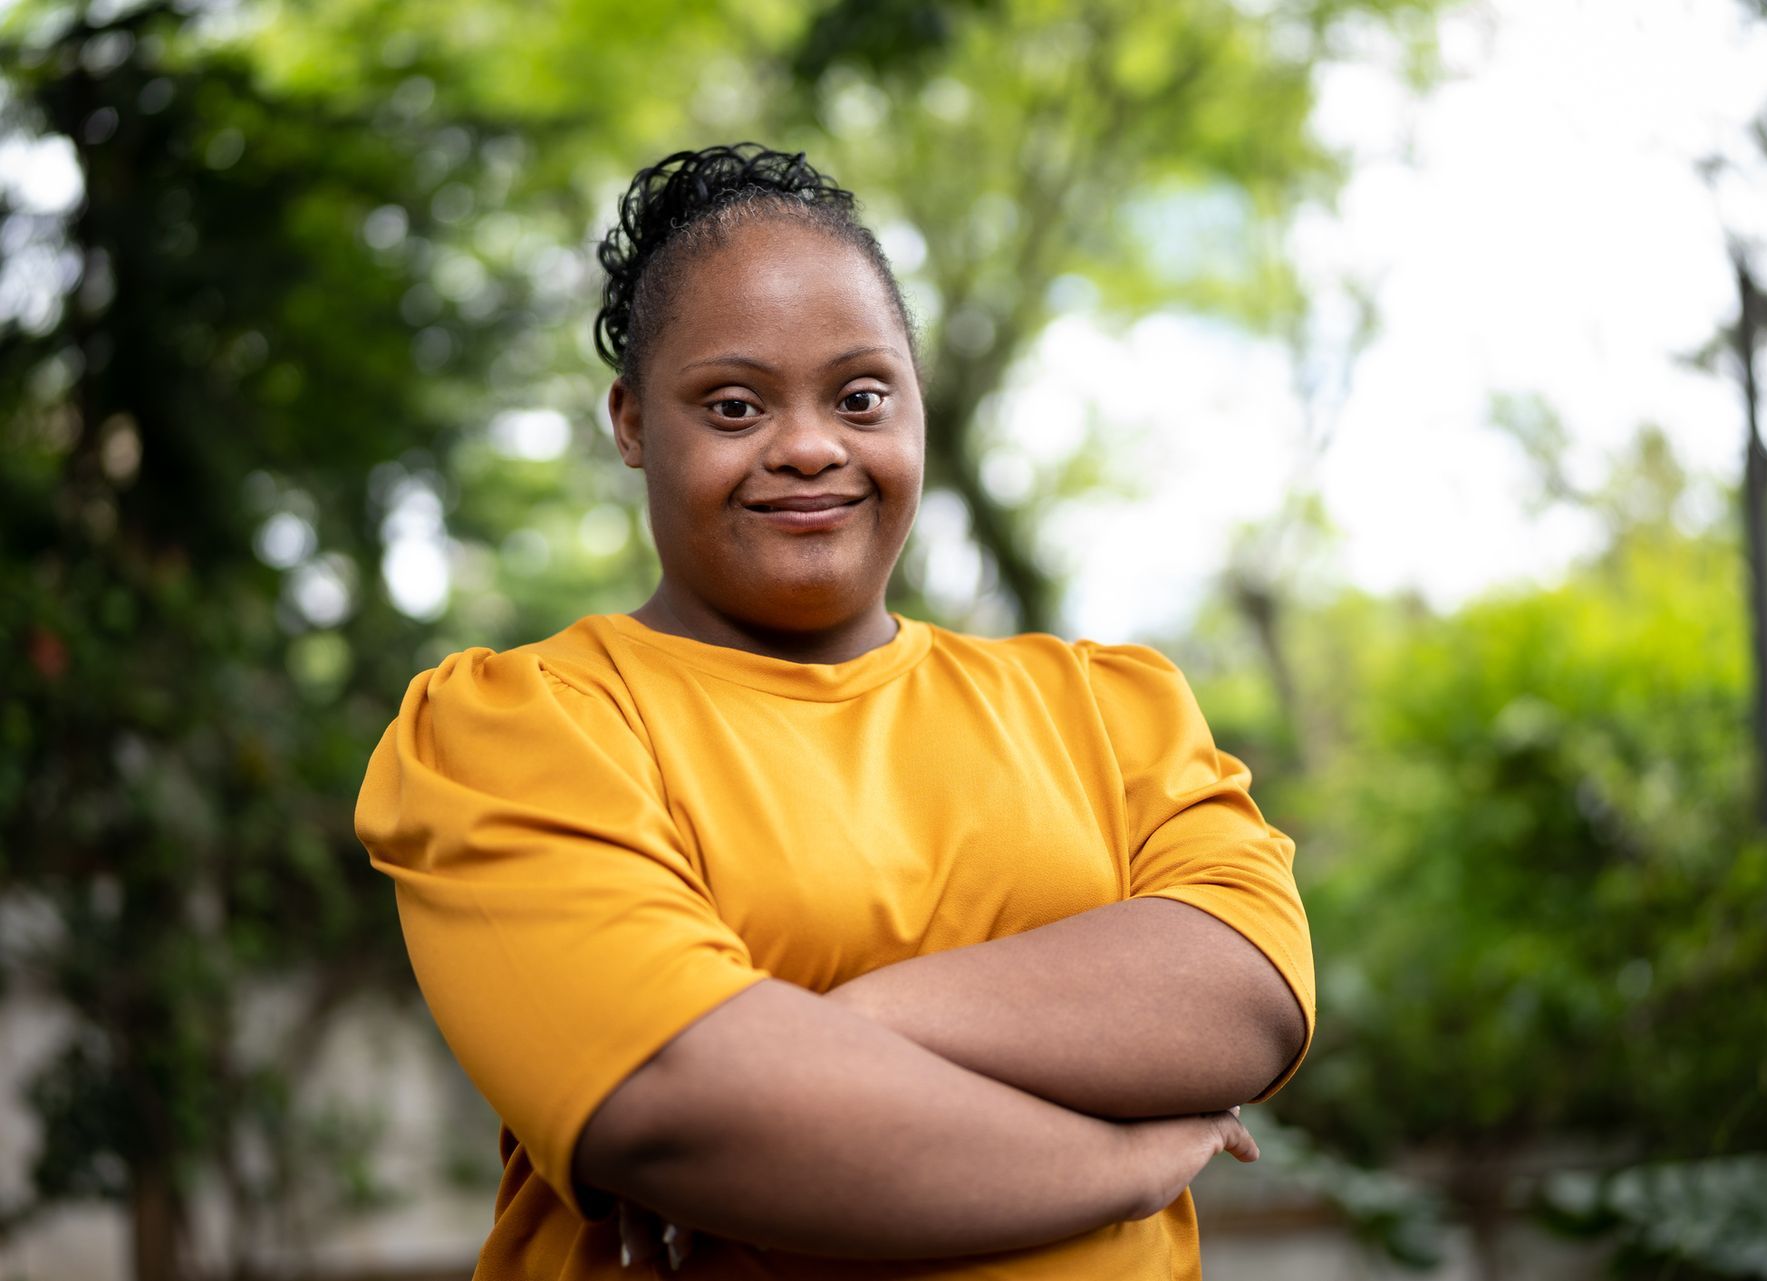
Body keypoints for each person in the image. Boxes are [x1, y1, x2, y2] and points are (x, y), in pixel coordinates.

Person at [354, 142, 1315, 1280]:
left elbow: (1249, 993)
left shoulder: (1107, 708)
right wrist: (1129, 1166)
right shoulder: (518, 731)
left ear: (916, 404)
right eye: (733, 404)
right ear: (630, 424)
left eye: (861, 396)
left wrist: (809, 1041)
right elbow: (678, 1104)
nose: (809, 446)